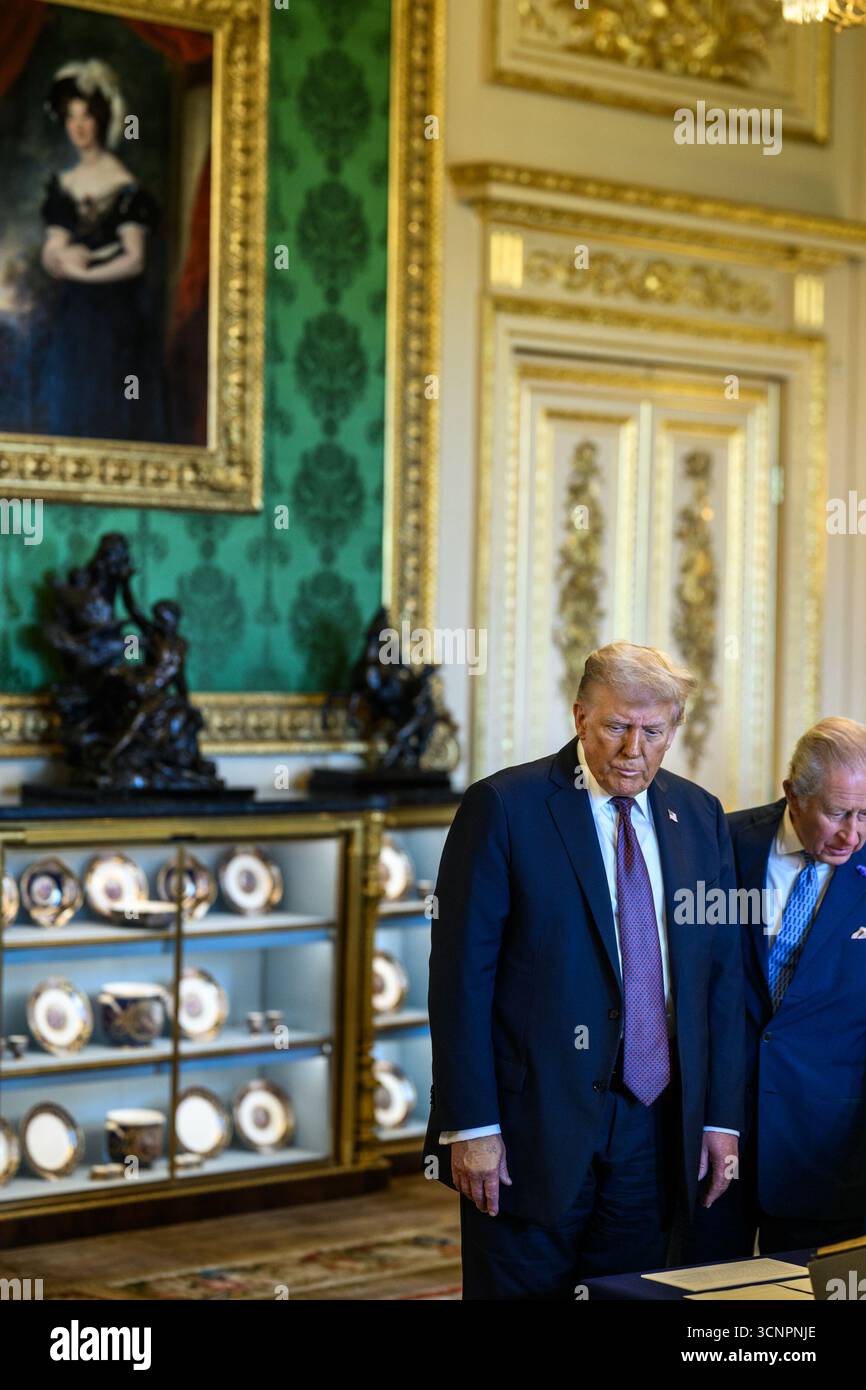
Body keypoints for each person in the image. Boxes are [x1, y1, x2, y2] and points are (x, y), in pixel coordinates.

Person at [425, 641, 745, 1299]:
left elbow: (720, 980)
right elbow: (460, 982)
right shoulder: (505, 809)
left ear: (673, 729)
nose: (634, 748)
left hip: (654, 1128)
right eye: (615, 726)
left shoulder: (700, 818)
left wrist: (721, 1118)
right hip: (528, 1128)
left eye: (653, 731)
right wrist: (474, 1126)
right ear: (579, 716)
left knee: (627, 1294)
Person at [690, 717, 866, 1260]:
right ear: (793, 794)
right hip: (720, 1131)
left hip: (830, 1145)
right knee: (706, 1306)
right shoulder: (722, 841)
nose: (853, 834)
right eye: (837, 813)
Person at [35, 59, 165, 441]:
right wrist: (56, 258)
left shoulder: (125, 186)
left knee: (111, 402)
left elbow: (135, 259)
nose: (78, 127)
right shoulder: (64, 183)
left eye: (86, 117)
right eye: (71, 117)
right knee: (68, 393)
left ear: (102, 120)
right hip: (74, 314)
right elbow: (53, 247)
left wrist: (83, 270)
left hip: (114, 315)